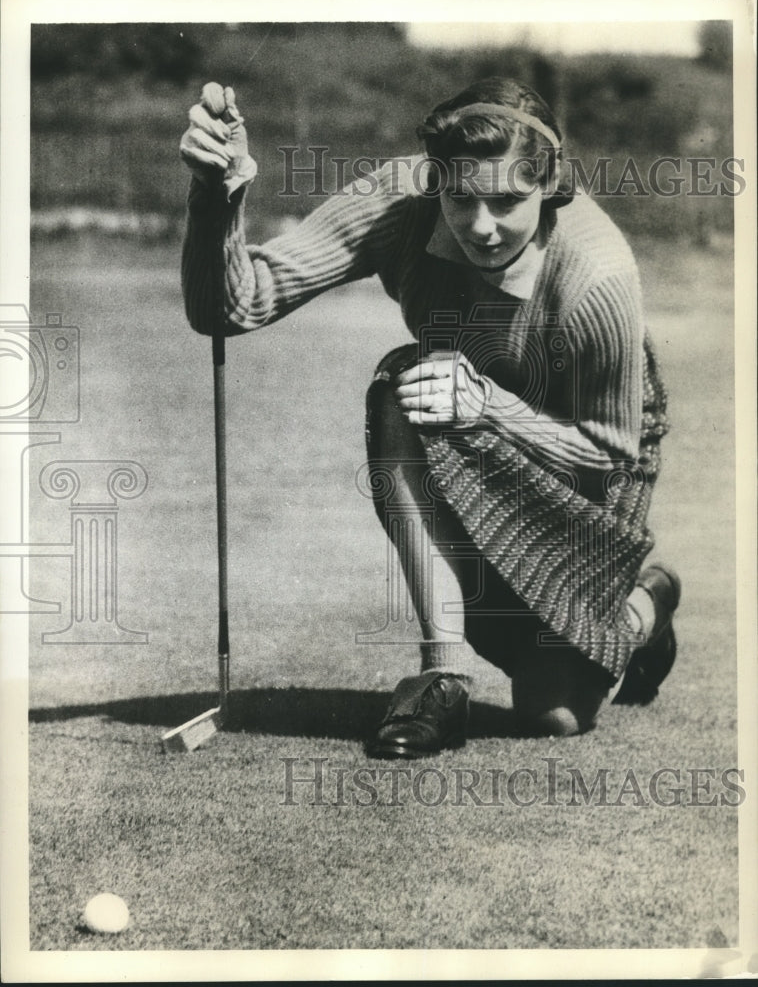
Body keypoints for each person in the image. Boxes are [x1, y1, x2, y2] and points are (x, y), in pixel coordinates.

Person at [179, 76, 681, 758]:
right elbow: (232, 308)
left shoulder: (598, 276)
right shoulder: (401, 200)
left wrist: (491, 404)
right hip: (454, 403)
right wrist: (218, 197)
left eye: (507, 201)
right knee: (403, 385)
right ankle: (442, 677)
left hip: (582, 438)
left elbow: (609, 449)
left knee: (554, 711)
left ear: (551, 187)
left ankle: (644, 607)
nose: (480, 225)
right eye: (460, 198)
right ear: (434, 180)